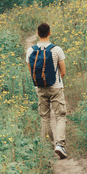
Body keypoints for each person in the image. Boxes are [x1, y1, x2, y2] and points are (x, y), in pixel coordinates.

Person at [26, 23, 68, 159]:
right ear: (49, 33)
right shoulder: (57, 50)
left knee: (45, 117)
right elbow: (63, 71)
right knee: (60, 116)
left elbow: (31, 72)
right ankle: (59, 144)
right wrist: (54, 79)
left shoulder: (30, 51)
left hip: (40, 88)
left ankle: (48, 147)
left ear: (38, 34)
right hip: (55, 87)